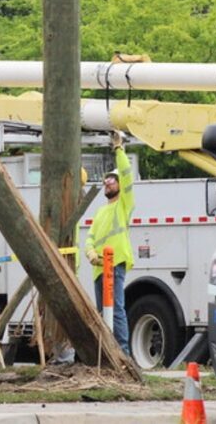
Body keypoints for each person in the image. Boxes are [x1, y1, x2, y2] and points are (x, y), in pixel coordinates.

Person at [85, 131, 135, 355]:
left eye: (112, 180)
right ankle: (106, 353)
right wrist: (91, 255)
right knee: (102, 312)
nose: (107, 182)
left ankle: (122, 353)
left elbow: (126, 174)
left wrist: (119, 148)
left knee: (115, 309)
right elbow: (90, 238)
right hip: (99, 268)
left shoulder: (123, 205)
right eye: (106, 180)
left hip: (115, 264)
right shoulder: (100, 212)